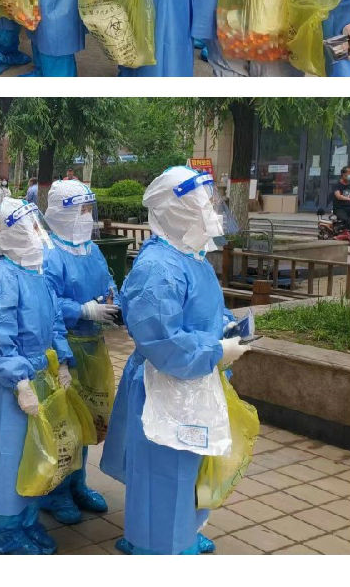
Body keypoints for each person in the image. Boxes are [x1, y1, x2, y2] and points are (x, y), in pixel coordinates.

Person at [101, 166, 247, 555]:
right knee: (162, 472)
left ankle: (181, 531)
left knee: (189, 464)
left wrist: (225, 327)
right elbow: (162, 340)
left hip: (192, 380)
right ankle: (156, 546)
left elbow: (201, 310)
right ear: (177, 211)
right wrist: (216, 350)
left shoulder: (192, 256)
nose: (212, 213)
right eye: (204, 205)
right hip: (164, 382)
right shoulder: (158, 268)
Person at [0, 197, 72, 555]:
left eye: (36, 224)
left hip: (38, 375)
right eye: (28, 226)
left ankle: (27, 522)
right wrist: (19, 381)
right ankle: (2, 532)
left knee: (33, 454)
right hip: (8, 386)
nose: (36, 232)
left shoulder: (36, 272)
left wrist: (62, 360)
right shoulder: (1, 276)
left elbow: (54, 319)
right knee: (7, 457)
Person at [40, 180, 120, 524]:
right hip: (62, 347)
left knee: (87, 418)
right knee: (63, 424)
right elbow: (44, 303)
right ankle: (55, 492)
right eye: (80, 210)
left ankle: (78, 483)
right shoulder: (47, 252)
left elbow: (109, 281)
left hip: (92, 346)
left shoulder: (91, 249)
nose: (87, 217)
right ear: (61, 212)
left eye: (89, 209)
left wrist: (112, 302)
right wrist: (83, 310)